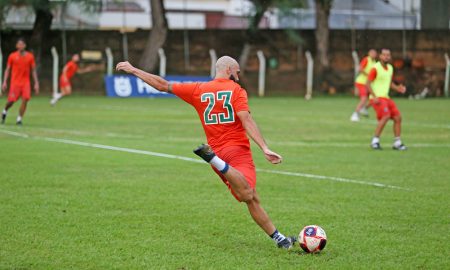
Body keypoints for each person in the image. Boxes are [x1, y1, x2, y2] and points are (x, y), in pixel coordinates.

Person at [116, 56, 297, 249]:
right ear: (228, 69)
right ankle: (213, 159)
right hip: (237, 151)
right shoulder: (236, 90)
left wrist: (134, 70)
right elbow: (247, 120)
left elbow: (162, 85)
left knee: (252, 198)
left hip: (218, 153)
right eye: (237, 72)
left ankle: (280, 239)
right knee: (246, 193)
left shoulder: (198, 89)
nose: (238, 76)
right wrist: (264, 147)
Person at [366, 49, 407, 150]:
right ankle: (375, 141)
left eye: (388, 55)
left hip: (386, 98)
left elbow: (389, 82)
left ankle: (397, 143)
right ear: (380, 56)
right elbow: (367, 83)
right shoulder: (375, 68)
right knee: (386, 116)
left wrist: (398, 88)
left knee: (398, 117)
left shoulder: (390, 68)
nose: (386, 57)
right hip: (377, 98)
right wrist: (374, 96)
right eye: (384, 55)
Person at [1, 38, 39, 125]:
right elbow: (7, 69)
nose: (20, 46)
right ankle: (5, 110)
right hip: (15, 83)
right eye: (19, 44)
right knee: (11, 101)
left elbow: (33, 70)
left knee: (25, 99)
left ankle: (19, 119)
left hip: (26, 83)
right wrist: (4, 82)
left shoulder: (30, 56)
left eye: (22, 44)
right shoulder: (12, 56)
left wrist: (36, 83)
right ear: (16, 46)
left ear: (25, 46)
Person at [350, 49, 377, 122]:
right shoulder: (366, 59)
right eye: (372, 53)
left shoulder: (374, 62)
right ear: (369, 53)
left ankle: (363, 108)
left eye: (375, 53)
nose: (373, 54)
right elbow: (360, 69)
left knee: (374, 98)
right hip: (361, 82)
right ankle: (355, 114)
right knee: (364, 98)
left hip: (369, 84)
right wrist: (368, 75)